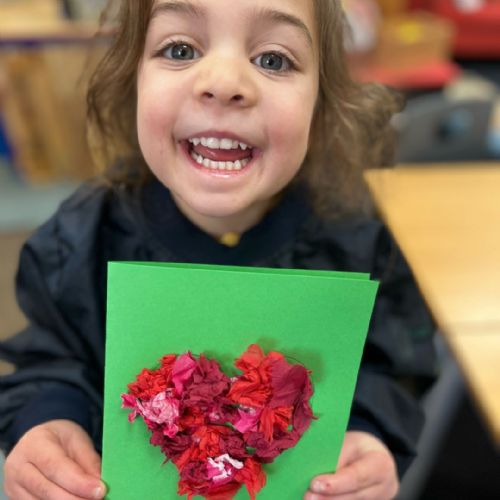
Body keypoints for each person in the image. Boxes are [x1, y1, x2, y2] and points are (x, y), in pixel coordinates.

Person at [0, 0, 436, 498]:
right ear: (132, 79)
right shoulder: (78, 241)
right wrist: (47, 419)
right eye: (180, 49)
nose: (224, 82)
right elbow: (50, 361)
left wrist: (367, 433)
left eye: (273, 59)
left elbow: (393, 368)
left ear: (321, 101)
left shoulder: (360, 244)